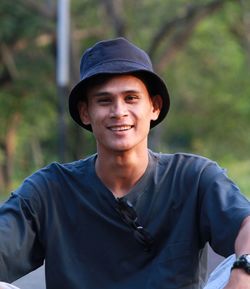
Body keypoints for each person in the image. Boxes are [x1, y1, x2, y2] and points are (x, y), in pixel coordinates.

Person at [0, 37, 250, 289]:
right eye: (104, 100)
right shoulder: (49, 190)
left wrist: (244, 271)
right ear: (85, 113)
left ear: (154, 107)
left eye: (131, 98)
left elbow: (246, 224)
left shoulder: (194, 178)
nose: (118, 111)